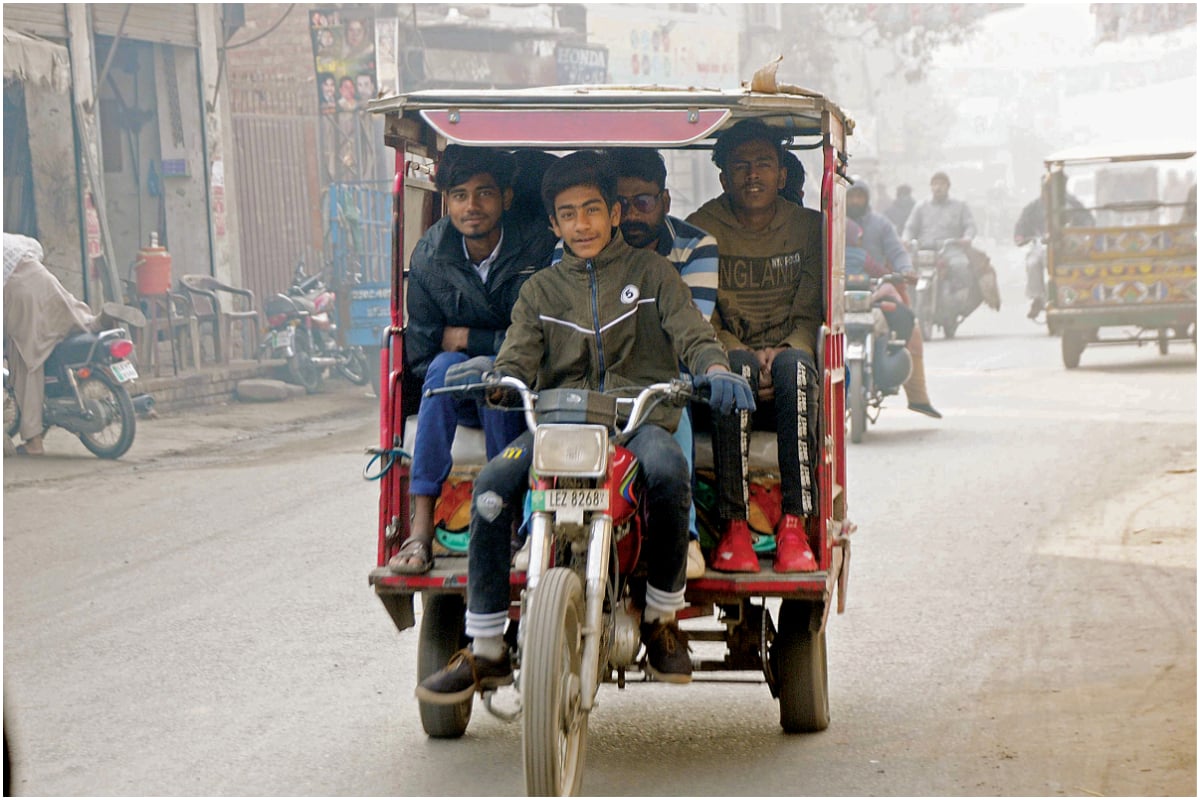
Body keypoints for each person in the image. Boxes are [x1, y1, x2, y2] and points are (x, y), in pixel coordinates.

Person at [416, 151, 753, 700]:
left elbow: (692, 331)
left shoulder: (654, 274)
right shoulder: (540, 291)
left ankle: (662, 619)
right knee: (491, 491)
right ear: (553, 224)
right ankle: (486, 647)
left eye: (592, 210)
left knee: (668, 472)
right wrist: (497, 377)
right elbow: (518, 356)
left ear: (614, 213)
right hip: (557, 421)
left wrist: (713, 368)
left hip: (635, 418)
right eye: (568, 214)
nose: (582, 224)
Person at [386, 146, 557, 575]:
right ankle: (420, 528)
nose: (471, 207)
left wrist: (472, 339)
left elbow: (543, 336)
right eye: (460, 195)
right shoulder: (430, 255)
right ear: (447, 201)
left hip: (525, 390)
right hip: (457, 388)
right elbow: (423, 355)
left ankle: (510, 524)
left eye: (484, 194)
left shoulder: (537, 245)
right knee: (447, 370)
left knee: (492, 377)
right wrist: (480, 357)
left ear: (507, 198)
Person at [554, 147, 719, 578]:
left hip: (662, 380)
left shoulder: (694, 247)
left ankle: (685, 539)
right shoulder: (572, 250)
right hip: (588, 381)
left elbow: (687, 332)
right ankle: (538, 533)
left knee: (670, 424)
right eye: (620, 205)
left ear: (664, 202)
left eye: (642, 203)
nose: (629, 215)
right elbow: (566, 329)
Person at [686, 118, 824, 574]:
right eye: (740, 166)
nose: (753, 175)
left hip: (789, 365)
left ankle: (793, 524)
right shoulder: (701, 227)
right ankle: (735, 526)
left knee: (797, 369)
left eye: (764, 164)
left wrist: (785, 349)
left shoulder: (808, 228)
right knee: (736, 371)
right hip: (729, 364)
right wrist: (737, 352)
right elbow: (703, 316)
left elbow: (809, 313)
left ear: (782, 174)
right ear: (723, 176)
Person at [3, 233, 144, 456]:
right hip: (42, 278)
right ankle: (100, 321)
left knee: (26, 360)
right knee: (69, 320)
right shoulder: (6, 239)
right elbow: (35, 248)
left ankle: (34, 443)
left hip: (17, 292)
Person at [846, 178, 941, 418]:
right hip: (839, 295)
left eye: (860, 196)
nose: (856, 201)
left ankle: (918, 397)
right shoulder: (834, 222)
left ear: (867, 198)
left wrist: (905, 269)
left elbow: (897, 251)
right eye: (852, 196)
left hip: (876, 292)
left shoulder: (881, 224)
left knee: (912, 328)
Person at [1013, 187, 1094, 319]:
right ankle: (1037, 299)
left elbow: (1087, 219)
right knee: (1032, 263)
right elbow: (1021, 227)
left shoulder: (1071, 203)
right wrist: (1020, 237)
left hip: (1068, 245)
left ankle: (1076, 294)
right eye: (1046, 188)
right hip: (1041, 245)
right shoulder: (1033, 208)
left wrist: (1084, 231)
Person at [902, 171, 978, 310]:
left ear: (948, 186)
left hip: (951, 249)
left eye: (941, 184)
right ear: (930, 187)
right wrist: (906, 240)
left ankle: (958, 300)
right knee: (905, 271)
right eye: (935, 184)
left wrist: (967, 238)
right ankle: (909, 303)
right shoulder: (921, 206)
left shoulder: (960, 206)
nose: (938, 187)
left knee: (961, 266)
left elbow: (970, 225)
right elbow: (910, 227)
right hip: (924, 250)